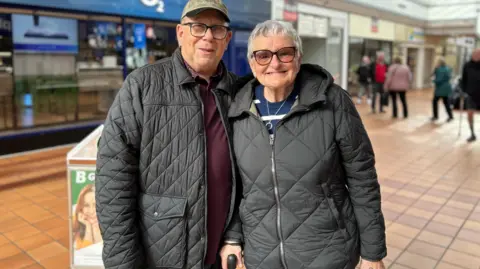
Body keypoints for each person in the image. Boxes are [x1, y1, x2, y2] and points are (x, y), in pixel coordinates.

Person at [220, 20, 386, 269]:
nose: (274, 63)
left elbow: (362, 179)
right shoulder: (237, 111)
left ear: (298, 57)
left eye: (284, 53)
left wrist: (373, 253)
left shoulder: (332, 102)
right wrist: (233, 238)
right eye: (263, 55)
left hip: (328, 253)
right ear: (252, 63)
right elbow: (234, 186)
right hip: (261, 255)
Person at [95, 0, 240, 268]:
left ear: (227, 38)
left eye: (217, 29)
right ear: (180, 33)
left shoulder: (238, 92)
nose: (208, 36)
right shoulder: (143, 86)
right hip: (161, 257)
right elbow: (112, 185)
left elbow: (249, 178)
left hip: (221, 258)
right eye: (198, 27)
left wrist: (235, 235)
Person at [73, 184, 102, 250]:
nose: (91, 211)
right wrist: (88, 226)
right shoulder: (76, 222)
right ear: (81, 208)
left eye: (95, 205)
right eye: (86, 205)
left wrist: (96, 229)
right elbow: (85, 254)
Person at [461, 48, 480, 142]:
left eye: (479, 54)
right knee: (469, 114)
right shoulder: (467, 65)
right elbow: (463, 79)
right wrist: (463, 90)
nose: (477, 56)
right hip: (471, 95)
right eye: (475, 54)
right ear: (472, 55)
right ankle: (472, 134)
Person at [432, 57, 453, 122]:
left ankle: (435, 116)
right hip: (447, 87)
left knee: (435, 101)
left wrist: (433, 81)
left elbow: (439, 79)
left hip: (441, 88)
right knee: (446, 102)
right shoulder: (448, 68)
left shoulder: (439, 69)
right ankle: (450, 116)